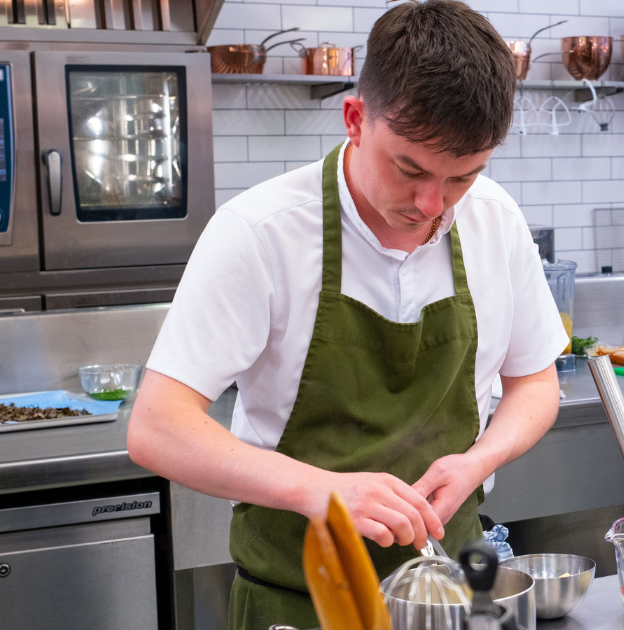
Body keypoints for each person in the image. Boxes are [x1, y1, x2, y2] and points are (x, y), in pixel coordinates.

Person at [126, 2, 568, 628]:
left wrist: (479, 461)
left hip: (456, 588)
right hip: (300, 601)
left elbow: (535, 381)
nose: (430, 205)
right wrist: (321, 491)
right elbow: (157, 427)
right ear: (356, 119)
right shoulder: (261, 233)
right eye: (409, 168)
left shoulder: (496, 220)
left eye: (462, 177)